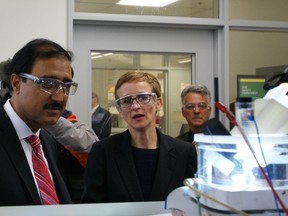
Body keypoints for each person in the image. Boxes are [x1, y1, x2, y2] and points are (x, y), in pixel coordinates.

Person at [82, 71, 197, 203]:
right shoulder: (103, 151)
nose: (135, 106)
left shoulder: (184, 152)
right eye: (126, 101)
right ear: (119, 110)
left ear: (158, 103)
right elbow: (92, 205)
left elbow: (193, 204)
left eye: (143, 98)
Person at [0, 38, 76, 205]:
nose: (59, 97)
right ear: (16, 83)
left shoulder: (46, 141)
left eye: (66, 86)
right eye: (48, 83)